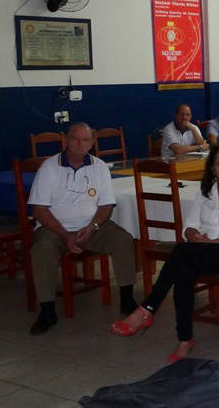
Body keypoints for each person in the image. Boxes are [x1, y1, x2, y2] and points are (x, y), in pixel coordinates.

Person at [111, 143, 219, 362]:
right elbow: (189, 226)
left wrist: (217, 242)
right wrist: (194, 236)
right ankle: (184, 339)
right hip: (200, 250)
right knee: (183, 268)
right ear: (212, 168)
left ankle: (147, 309)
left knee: (182, 254)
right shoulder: (205, 192)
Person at [27, 122, 137, 335]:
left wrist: (93, 226)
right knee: (41, 250)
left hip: (92, 227)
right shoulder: (49, 167)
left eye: (85, 139)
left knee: (123, 239)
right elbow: (39, 209)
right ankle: (47, 310)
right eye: (75, 138)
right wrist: (64, 234)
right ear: (66, 140)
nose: (79, 143)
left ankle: (127, 299)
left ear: (92, 143)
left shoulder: (99, 166)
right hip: (54, 228)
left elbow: (106, 206)